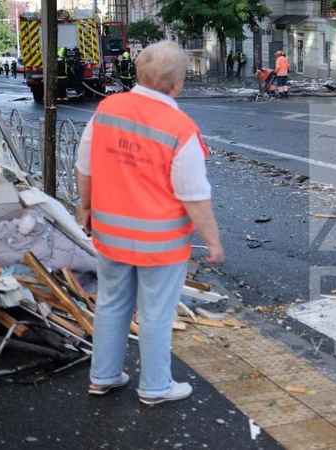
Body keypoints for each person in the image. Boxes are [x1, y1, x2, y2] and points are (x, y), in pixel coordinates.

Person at [75, 40, 224, 406]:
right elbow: (193, 195)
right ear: (176, 84)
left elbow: (85, 165)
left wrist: (85, 207)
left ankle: (104, 375)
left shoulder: (107, 109)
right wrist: (214, 241)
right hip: (160, 243)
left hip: (111, 234)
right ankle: (155, 386)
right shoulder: (180, 127)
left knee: (111, 302)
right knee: (156, 312)